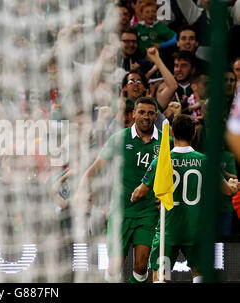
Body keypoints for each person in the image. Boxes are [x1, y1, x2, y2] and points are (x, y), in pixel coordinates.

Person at [131, 114, 239, 282]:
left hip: (168, 231)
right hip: (196, 230)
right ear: (194, 134)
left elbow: (139, 194)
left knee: (160, 277)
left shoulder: (160, 162)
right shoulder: (205, 161)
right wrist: (234, 185)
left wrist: (135, 196)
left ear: (172, 134)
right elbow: (227, 191)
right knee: (200, 275)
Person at [74, 97, 165, 283]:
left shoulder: (166, 142)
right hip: (120, 211)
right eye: (141, 112)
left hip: (148, 212)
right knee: (114, 267)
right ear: (133, 115)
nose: (145, 116)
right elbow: (95, 167)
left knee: (140, 266)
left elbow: (176, 172)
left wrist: (166, 196)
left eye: (150, 112)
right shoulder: (119, 138)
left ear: (156, 115)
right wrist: (81, 189)